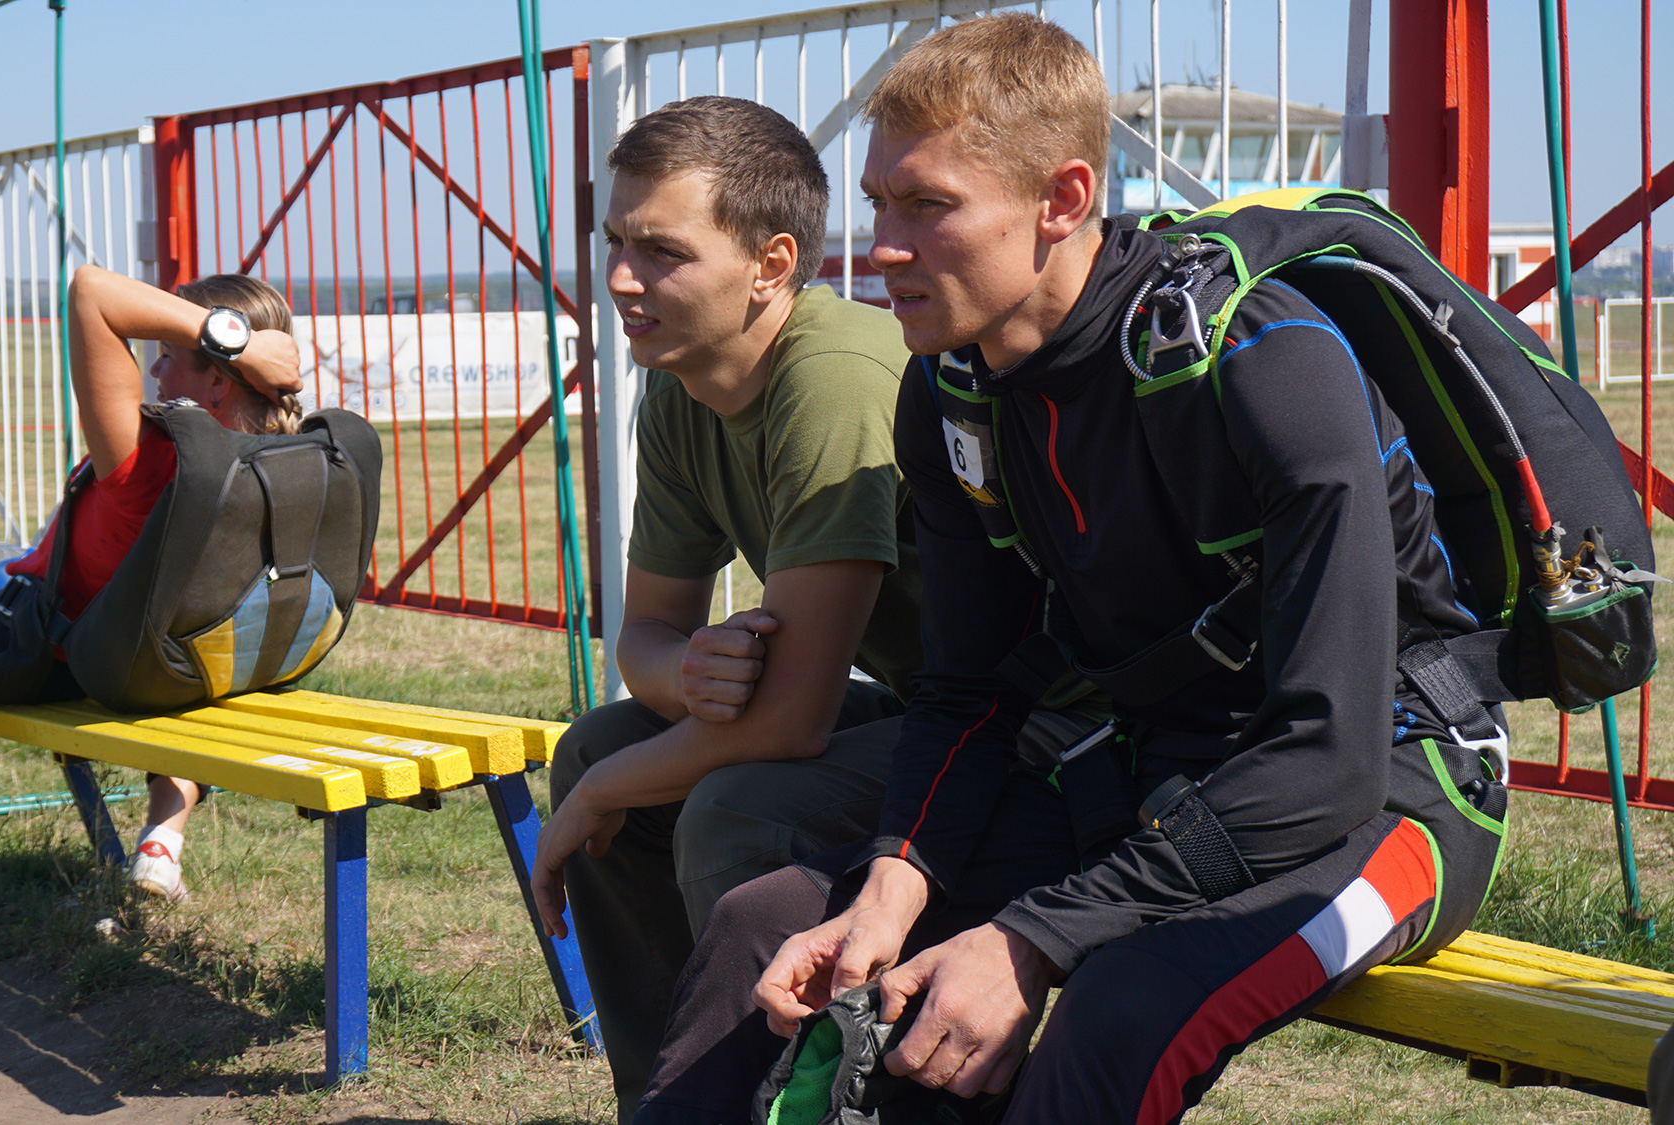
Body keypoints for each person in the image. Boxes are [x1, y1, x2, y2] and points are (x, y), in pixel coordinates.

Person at [632, 15, 1506, 1125]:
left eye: (927, 205)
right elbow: (968, 690)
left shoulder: (1264, 364)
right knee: (770, 924)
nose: (882, 248)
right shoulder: (951, 387)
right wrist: (894, 885)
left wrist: (1031, 937)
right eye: (878, 203)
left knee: (1118, 1007)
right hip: (1145, 774)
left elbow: (1326, 758)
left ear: (1061, 199)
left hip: (1387, 799)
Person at [529, 95, 1101, 1122]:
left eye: (661, 251)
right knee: (599, 743)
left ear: (771, 264)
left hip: (1038, 734)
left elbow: (788, 721)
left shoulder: (831, 375)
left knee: (736, 807)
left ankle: (792, 1101)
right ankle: (669, 1100)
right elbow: (646, 637)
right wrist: (683, 674)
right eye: (614, 241)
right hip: (936, 712)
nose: (619, 277)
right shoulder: (682, 384)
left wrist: (602, 790)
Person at [0, 265, 303, 955]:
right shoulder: (283, 463)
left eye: (168, 352)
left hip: (46, 651)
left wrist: (231, 338)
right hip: (174, 672)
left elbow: (91, 290)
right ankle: (165, 828)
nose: (154, 368)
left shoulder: (147, 455)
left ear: (219, 378)